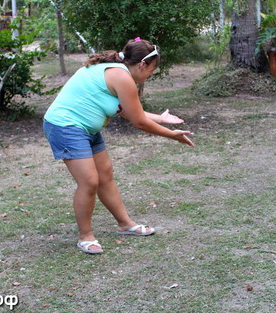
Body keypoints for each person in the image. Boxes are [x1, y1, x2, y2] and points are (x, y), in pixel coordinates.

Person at [43, 37, 194, 254]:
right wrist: (173, 135)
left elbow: (128, 110)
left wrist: (161, 118)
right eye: (152, 69)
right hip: (66, 126)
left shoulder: (114, 71)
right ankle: (85, 236)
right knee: (89, 181)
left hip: (86, 127)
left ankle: (125, 224)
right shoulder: (121, 76)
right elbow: (139, 122)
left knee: (105, 176)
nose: (150, 75)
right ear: (143, 64)